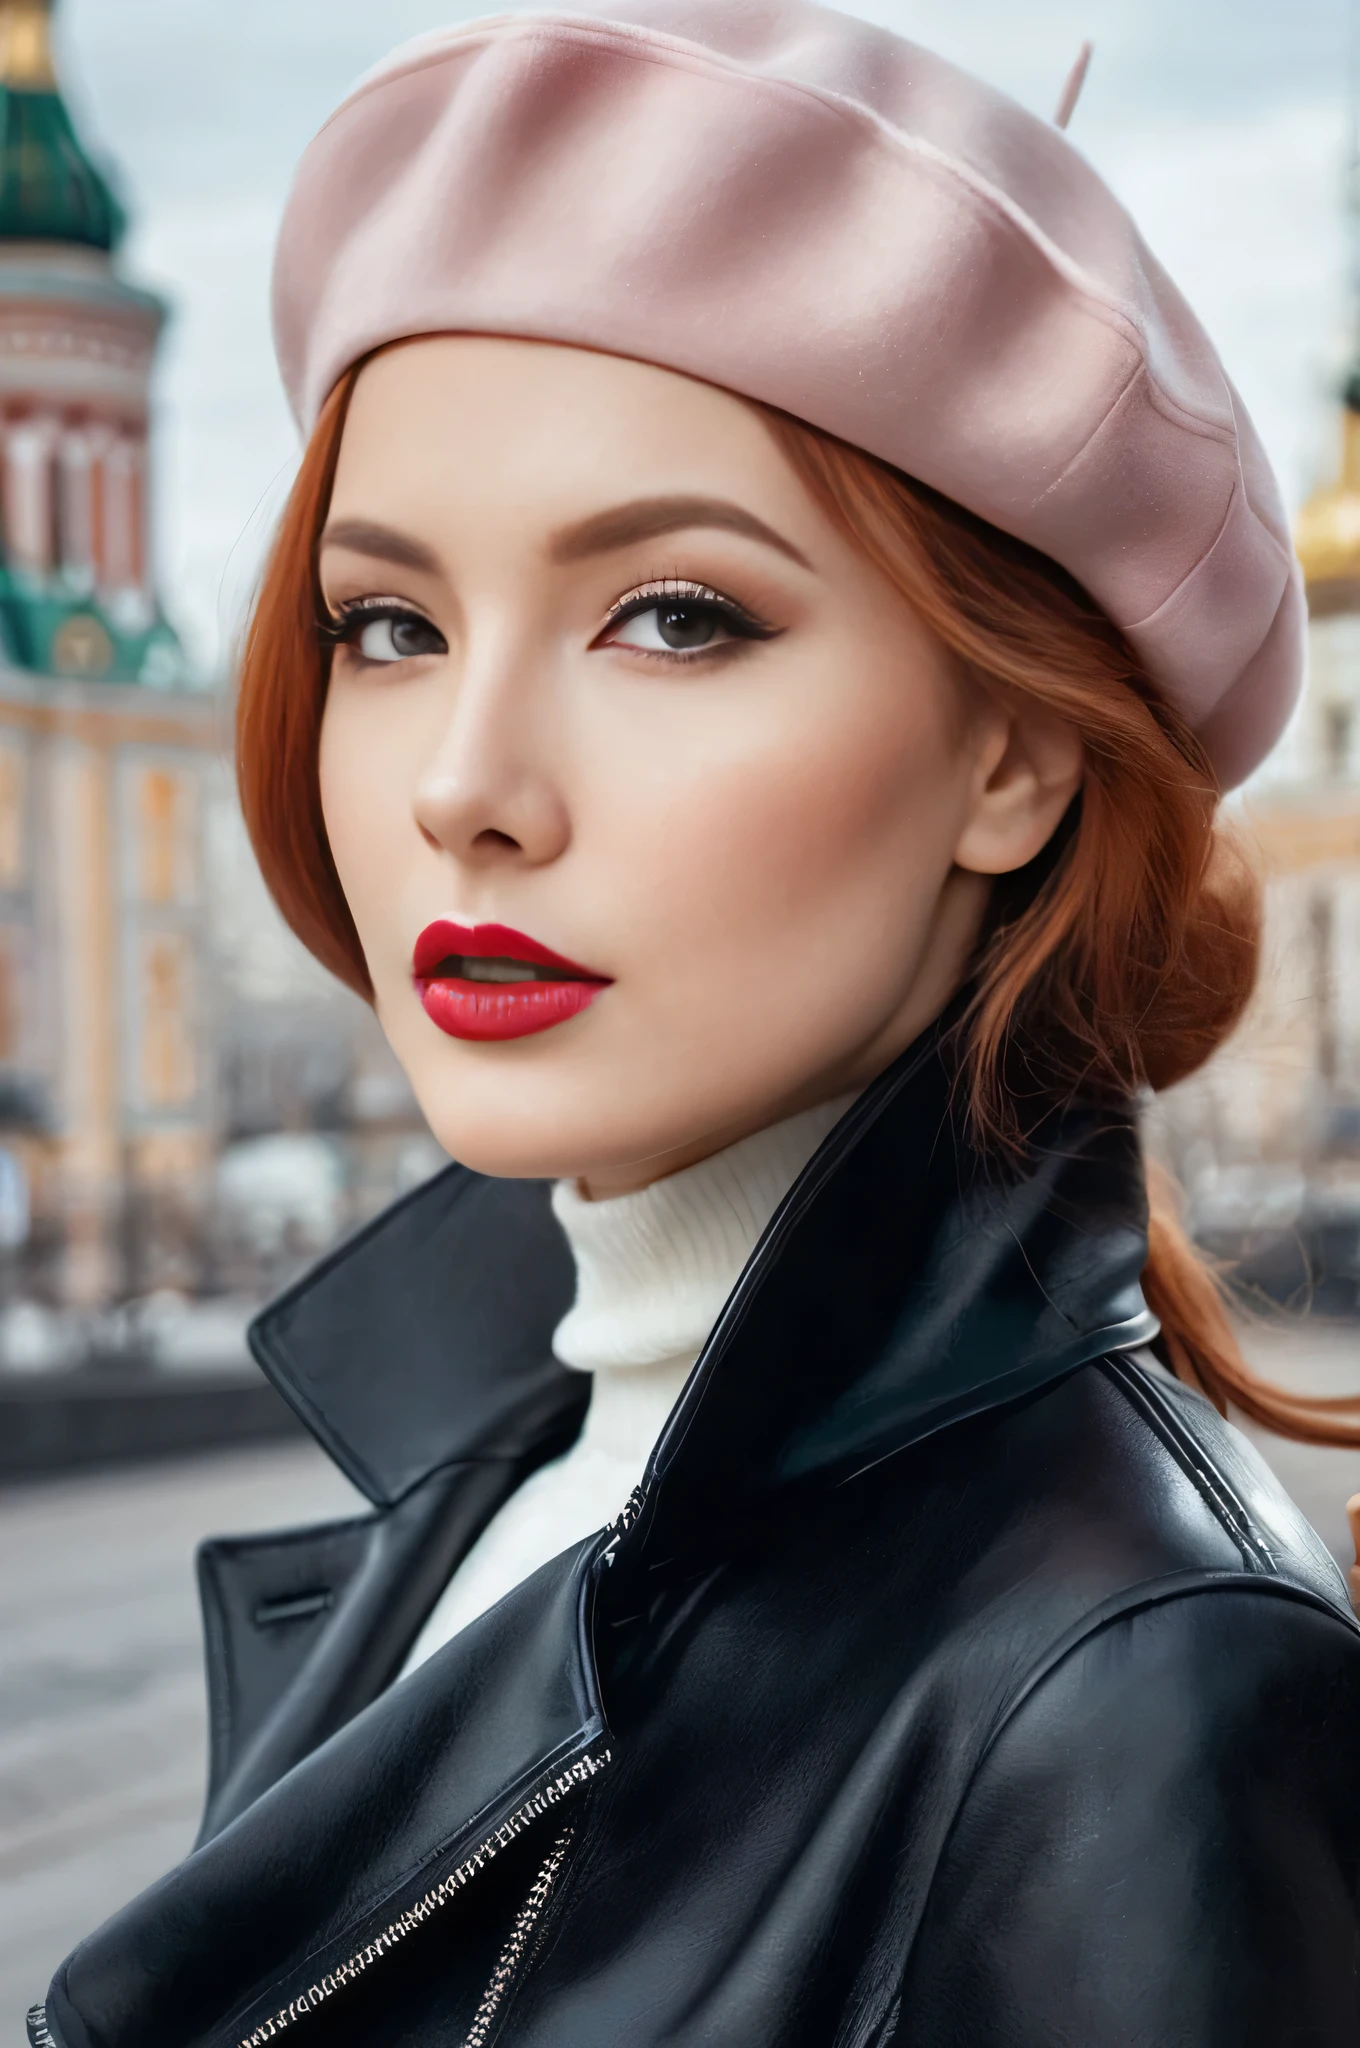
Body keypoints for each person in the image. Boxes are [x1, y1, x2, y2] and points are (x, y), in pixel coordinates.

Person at [29, 5, 1360, 2044]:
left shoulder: (1134, 1692)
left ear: (1008, 755)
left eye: (672, 612)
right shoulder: (496, 1469)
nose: (460, 783)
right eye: (389, 623)